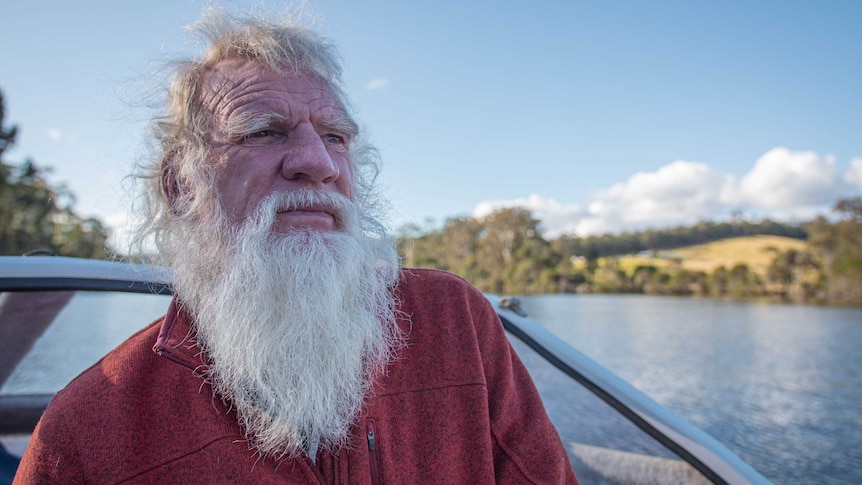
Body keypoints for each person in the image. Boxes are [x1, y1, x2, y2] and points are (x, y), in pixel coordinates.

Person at [14, 9, 577, 484]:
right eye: (263, 131)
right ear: (181, 185)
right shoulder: (87, 432)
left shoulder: (453, 319)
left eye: (336, 137)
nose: (319, 163)